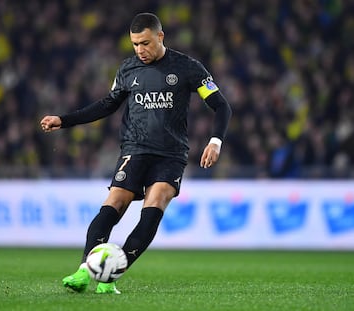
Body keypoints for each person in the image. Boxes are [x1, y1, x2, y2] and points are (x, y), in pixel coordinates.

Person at [40, 12, 231, 294]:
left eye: (145, 43)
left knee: (153, 208)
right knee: (114, 204)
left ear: (160, 36)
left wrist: (215, 141)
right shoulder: (128, 70)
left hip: (170, 154)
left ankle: (111, 274)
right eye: (135, 45)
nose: (140, 50)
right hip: (135, 149)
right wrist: (64, 120)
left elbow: (221, 105)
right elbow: (107, 105)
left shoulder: (188, 67)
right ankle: (84, 270)